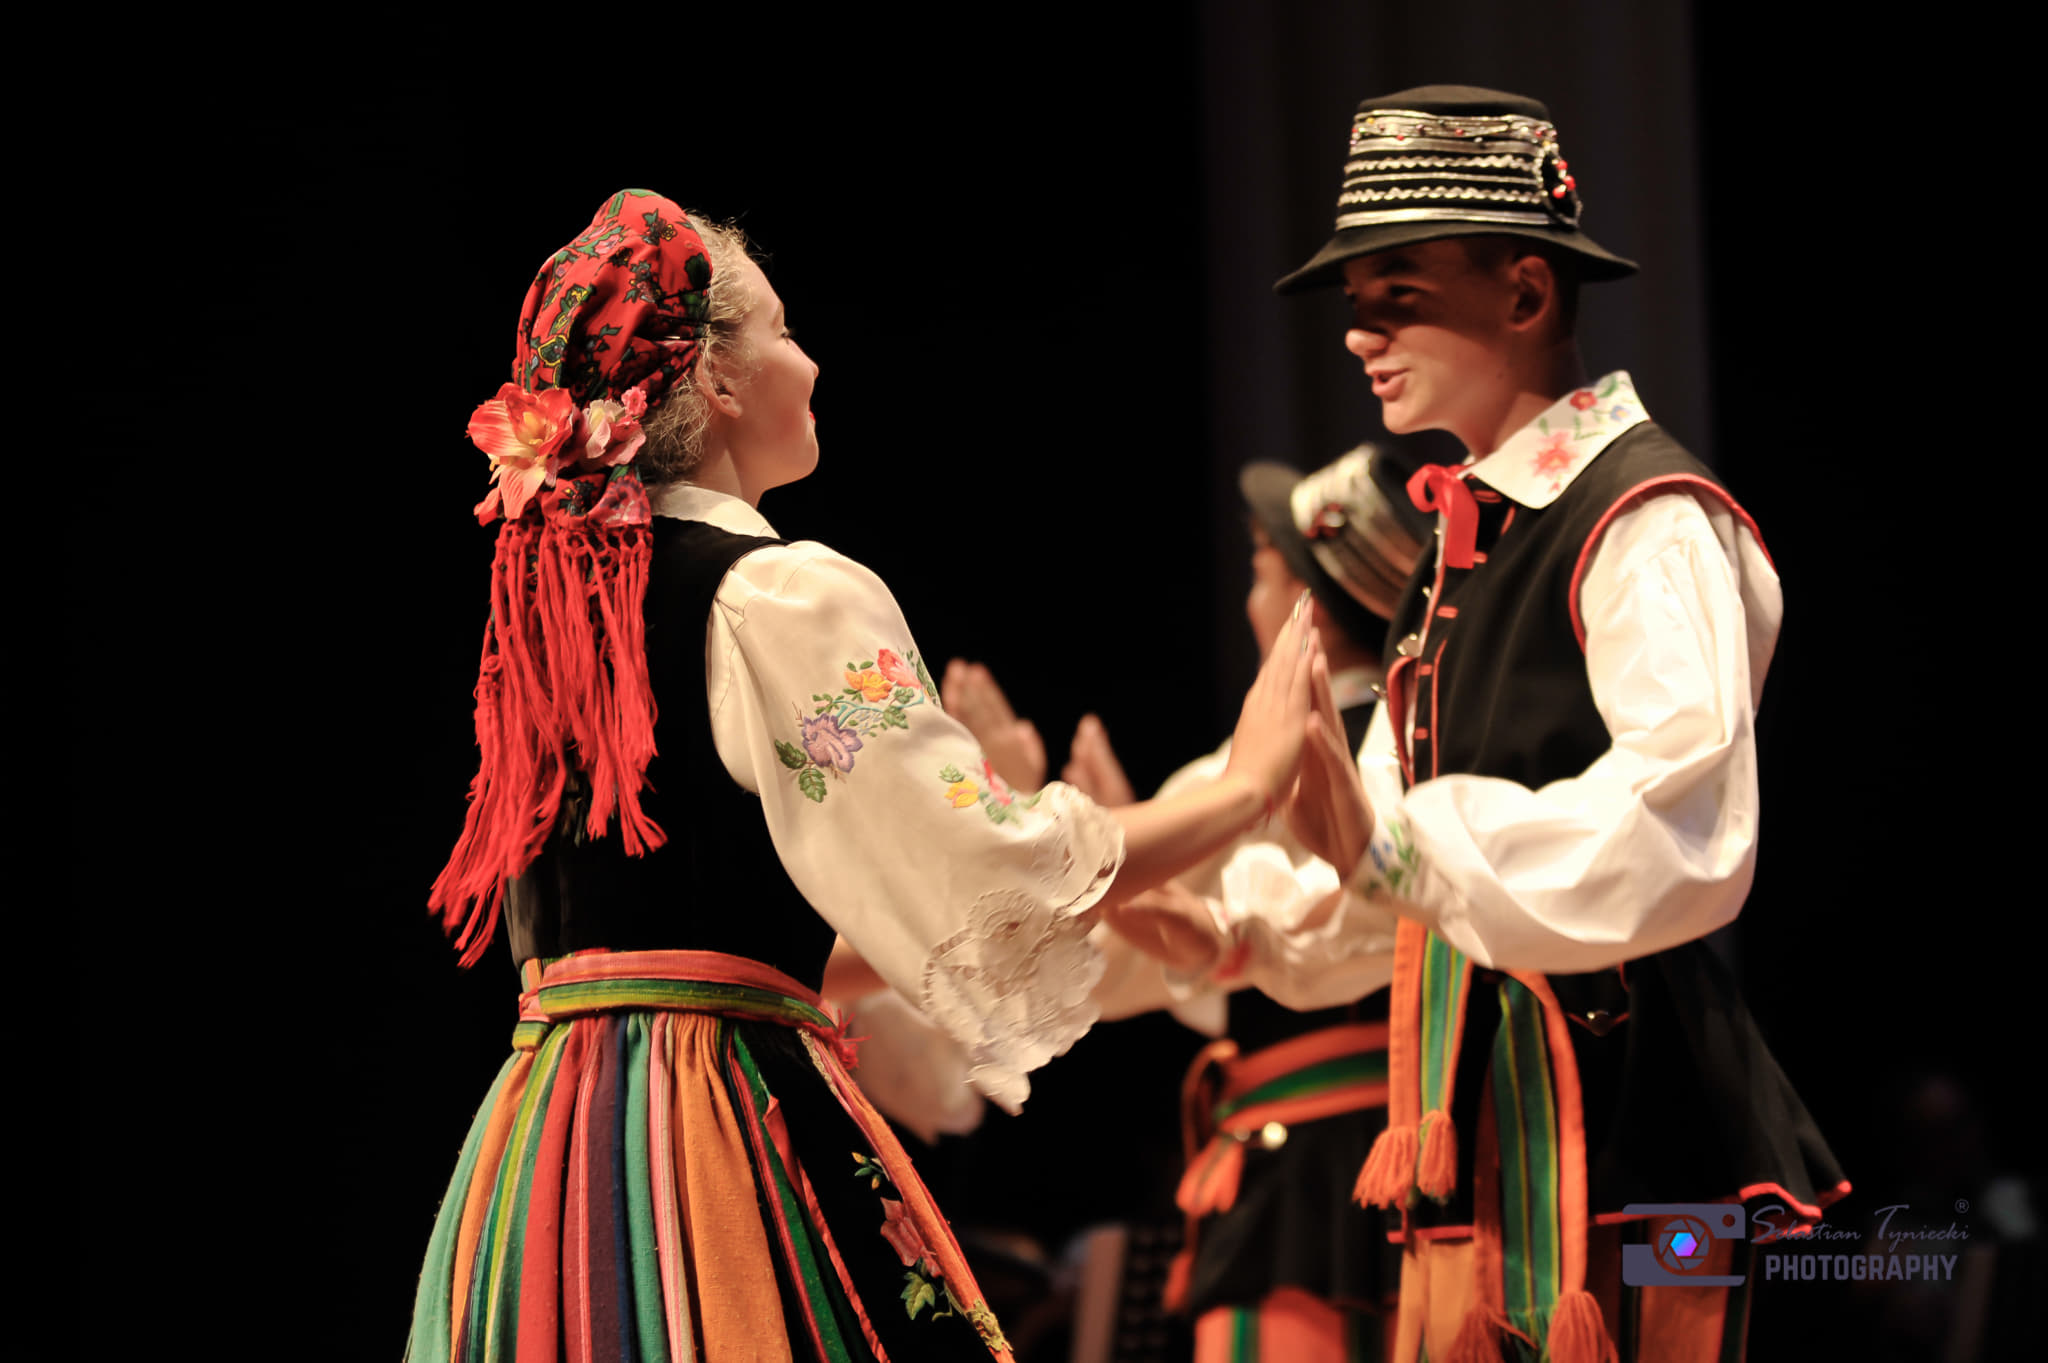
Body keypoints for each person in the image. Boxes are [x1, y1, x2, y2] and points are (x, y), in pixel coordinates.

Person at [406, 190, 1328, 1363]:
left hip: (557, 1133)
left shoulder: (557, 620)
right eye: (784, 330)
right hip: (705, 1112)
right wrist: (1241, 788)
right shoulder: (777, 593)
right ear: (718, 379)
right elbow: (989, 865)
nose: (812, 359)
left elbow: (708, 928)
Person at [1260, 87, 1848, 1363]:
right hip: (1473, 1116)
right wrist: (1209, 914)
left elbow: (1677, 819)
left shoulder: (1643, 517)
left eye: (1397, 293)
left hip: (1637, 1133)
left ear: (1525, 293)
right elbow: (1374, 858)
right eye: (1354, 301)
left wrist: (1389, 847)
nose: (1358, 332)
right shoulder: (1460, 543)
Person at [945, 446, 1429, 1362]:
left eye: (1262, 574)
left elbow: (1120, 970)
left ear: (1308, 609)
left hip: (1297, 1169)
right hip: (1436, 1156)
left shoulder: (1249, 771)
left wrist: (1039, 821)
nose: (1252, 601)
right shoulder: (1433, 744)